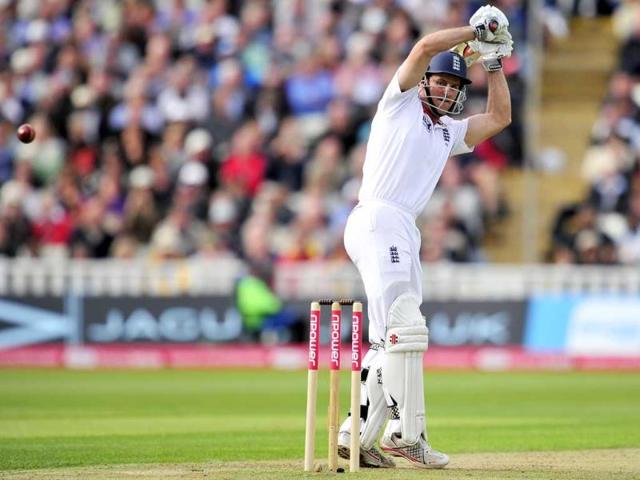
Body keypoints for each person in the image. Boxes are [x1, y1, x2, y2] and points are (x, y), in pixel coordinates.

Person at [336, 5, 514, 469]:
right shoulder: (396, 105)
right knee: (404, 327)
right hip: (379, 216)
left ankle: (356, 436)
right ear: (424, 83)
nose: (449, 89)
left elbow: (499, 117)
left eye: (456, 86)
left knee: (391, 336)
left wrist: (493, 64)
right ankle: (405, 434)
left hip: (403, 227)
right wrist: (473, 33)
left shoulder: (448, 132)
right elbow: (422, 47)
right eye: (442, 82)